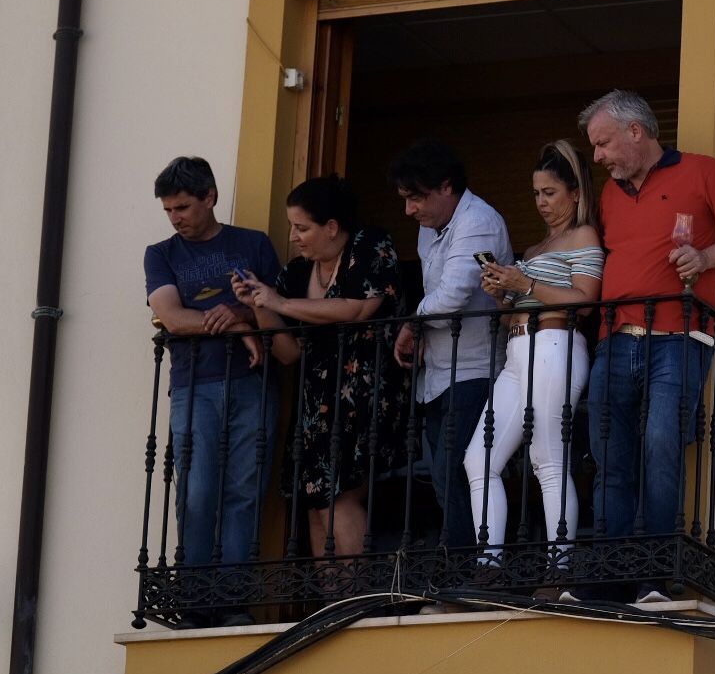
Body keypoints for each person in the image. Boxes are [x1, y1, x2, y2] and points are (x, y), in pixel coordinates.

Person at [580, 90, 715, 596]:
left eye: (603, 143)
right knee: (610, 457)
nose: (597, 157)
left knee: (662, 447)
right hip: (616, 339)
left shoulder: (702, 172)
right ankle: (610, 575)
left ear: (636, 132)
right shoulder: (608, 196)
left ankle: (656, 575)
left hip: (679, 340)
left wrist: (708, 258)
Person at [235, 177, 405, 560]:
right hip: (316, 406)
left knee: (338, 496)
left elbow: (358, 308)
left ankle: (356, 605)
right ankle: (333, 606)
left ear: (331, 227)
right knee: (315, 502)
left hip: (364, 396)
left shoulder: (369, 244)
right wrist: (259, 304)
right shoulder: (295, 274)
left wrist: (279, 302)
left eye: (302, 227)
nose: (293, 236)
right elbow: (288, 352)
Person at [143, 157, 281, 612]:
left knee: (246, 490)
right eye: (168, 210)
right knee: (197, 490)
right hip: (193, 384)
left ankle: (233, 603)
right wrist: (238, 327)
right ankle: (197, 600)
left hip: (253, 382)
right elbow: (173, 317)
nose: (175, 217)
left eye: (183, 206)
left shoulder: (254, 245)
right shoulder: (161, 253)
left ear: (211, 197)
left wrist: (243, 315)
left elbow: (275, 312)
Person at [465, 141, 604, 566]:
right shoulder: (534, 251)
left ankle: (559, 567)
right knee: (478, 459)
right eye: (536, 193)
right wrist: (502, 296)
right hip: (519, 349)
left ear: (575, 193)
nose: (542, 202)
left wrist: (521, 284)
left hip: (558, 343)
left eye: (550, 192)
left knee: (548, 457)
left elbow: (584, 300)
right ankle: (488, 564)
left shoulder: (584, 235)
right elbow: (514, 318)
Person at [389, 141, 512, 550]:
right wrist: (420, 328)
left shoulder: (478, 220)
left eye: (415, 198)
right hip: (439, 374)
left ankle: (469, 568)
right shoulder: (429, 228)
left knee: (452, 468)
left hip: (475, 370)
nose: (409, 211)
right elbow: (436, 297)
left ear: (446, 187)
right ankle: (461, 564)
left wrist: (412, 325)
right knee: (443, 474)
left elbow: (452, 296)